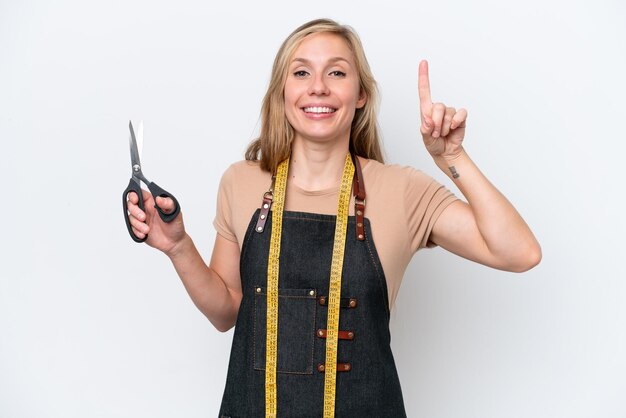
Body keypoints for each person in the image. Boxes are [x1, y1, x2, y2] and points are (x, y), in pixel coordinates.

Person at [125, 18, 541, 418]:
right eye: (302, 73)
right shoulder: (241, 181)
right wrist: (179, 247)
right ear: (282, 92)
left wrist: (451, 156)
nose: (318, 88)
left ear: (360, 94)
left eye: (337, 73)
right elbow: (225, 311)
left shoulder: (403, 191)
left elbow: (519, 253)